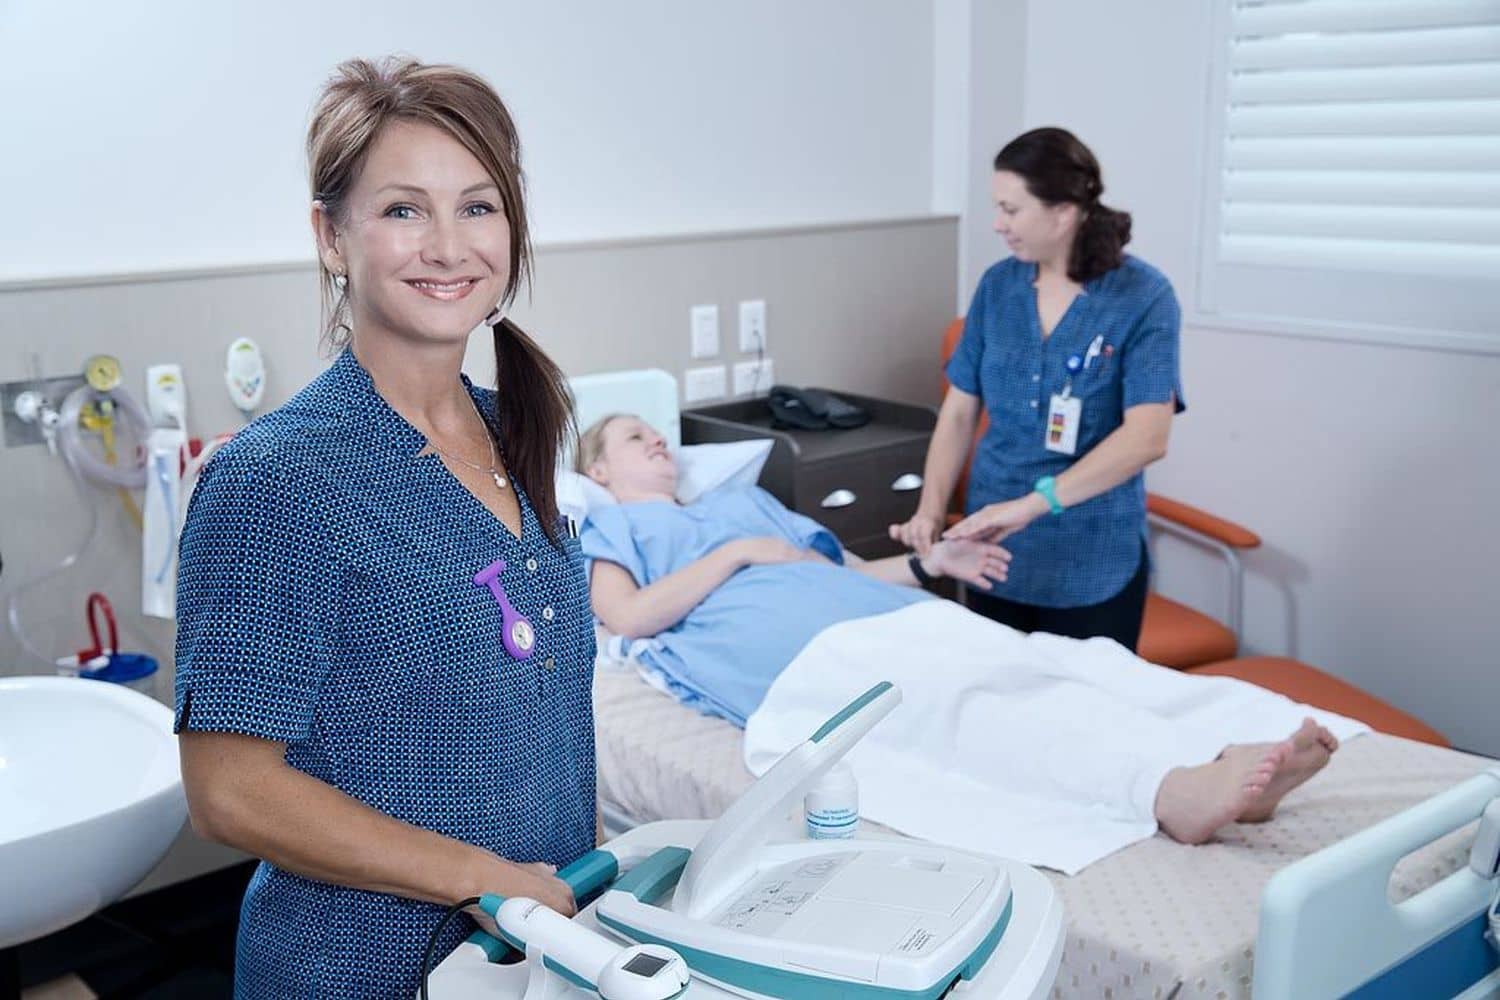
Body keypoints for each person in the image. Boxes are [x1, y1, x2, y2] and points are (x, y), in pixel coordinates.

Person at [174, 58, 592, 998]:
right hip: (365, 969)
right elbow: (230, 789)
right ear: (333, 236)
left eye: (478, 207)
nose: (448, 245)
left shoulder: (511, 430)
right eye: (404, 210)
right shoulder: (281, 479)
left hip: (528, 956)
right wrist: (483, 879)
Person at [577, 414, 1339, 848]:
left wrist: (934, 563)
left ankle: (1211, 755)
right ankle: (1168, 791)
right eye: (633, 438)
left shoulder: (754, 504)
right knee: (971, 711)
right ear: (599, 472)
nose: (658, 443)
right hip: (804, 659)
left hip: (891, 616)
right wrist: (739, 555)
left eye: (658, 433)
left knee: (1054, 665)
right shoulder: (616, 529)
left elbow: (851, 570)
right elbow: (629, 618)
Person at [890, 127, 1184, 652]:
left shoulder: (1143, 297)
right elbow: (959, 411)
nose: (998, 224)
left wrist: (1030, 505)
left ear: (1063, 212)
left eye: (1011, 209)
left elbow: (1147, 438)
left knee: (1083, 721)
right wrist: (930, 511)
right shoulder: (999, 287)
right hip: (990, 557)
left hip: (1091, 561)